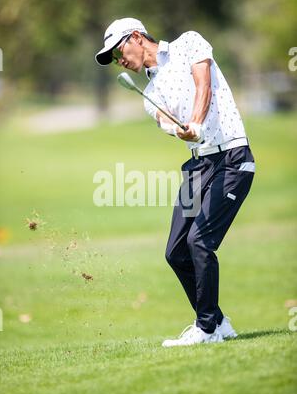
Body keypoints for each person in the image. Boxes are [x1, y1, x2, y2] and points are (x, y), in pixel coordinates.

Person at [95, 17, 255, 347]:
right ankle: (219, 322)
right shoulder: (148, 93)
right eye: (112, 59)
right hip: (199, 166)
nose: (118, 61)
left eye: (118, 51)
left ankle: (206, 327)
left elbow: (204, 85)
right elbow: (166, 120)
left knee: (200, 242)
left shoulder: (188, 43)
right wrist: (180, 128)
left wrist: (195, 121)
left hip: (232, 158)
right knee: (176, 251)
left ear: (136, 37)